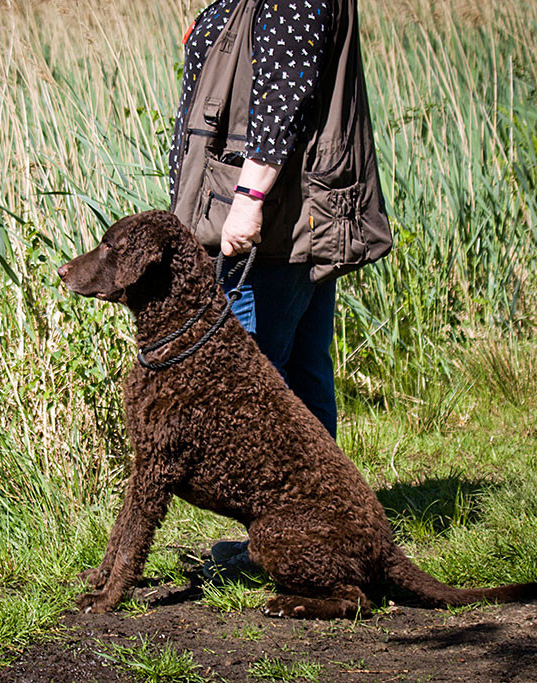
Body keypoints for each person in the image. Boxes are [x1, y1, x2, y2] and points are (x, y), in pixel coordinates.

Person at [168, 0, 392, 576]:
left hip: (270, 220)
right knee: (302, 374)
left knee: (262, 390)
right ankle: (331, 529)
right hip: (287, 219)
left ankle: (294, 540)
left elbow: (280, 99)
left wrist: (248, 201)